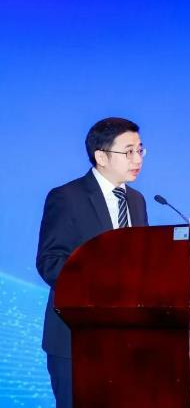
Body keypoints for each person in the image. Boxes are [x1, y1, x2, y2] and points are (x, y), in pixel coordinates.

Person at [36, 117, 149, 407]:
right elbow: (50, 262)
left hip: (126, 338)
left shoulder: (137, 201)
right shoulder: (67, 197)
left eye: (140, 150)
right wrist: (103, 283)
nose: (137, 159)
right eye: (128, 151)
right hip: (76, 339)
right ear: (101, 156)